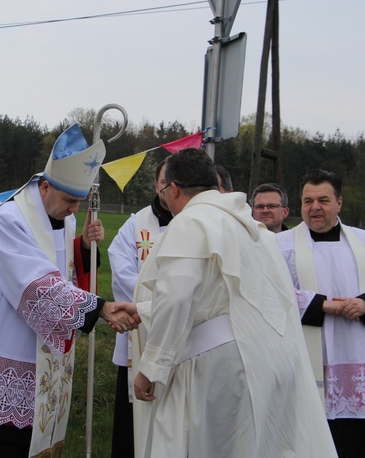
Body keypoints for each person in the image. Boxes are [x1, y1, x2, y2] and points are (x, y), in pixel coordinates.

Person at [0, 124, 139, 457]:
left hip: (40, 361)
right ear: (45, 187)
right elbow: (36, 285)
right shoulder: (10, 219)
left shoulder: (65, 218)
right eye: (70, 200)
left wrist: (84, 249)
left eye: (79, 202)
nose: (75, 209)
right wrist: (99, 308)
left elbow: (62, 272)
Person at [132, 148, 336, 458]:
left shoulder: (192, 222)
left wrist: (151, 367)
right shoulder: (253, 228)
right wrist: (141, 310)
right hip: (270, 356)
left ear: (173, 189)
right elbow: (229, 298)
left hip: (221, 365)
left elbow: (177, 297)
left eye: (163, 192)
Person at [277, 169, 365, 458]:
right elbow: (270, 293)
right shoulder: (282, 246)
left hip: (358, 353)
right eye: (307, 200)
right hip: (308, 359)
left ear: (339, 203)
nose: (314, 207)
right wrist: (322, 304)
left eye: (323, 200)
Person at [107, 160, 172, 458]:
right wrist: (155, 304)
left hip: (180, 335)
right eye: (164, 180)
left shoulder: (195, 222)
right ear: (156, 184)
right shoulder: (136, 223)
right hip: (139, 333)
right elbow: (120, 270)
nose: (168, 187)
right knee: (130, 429)